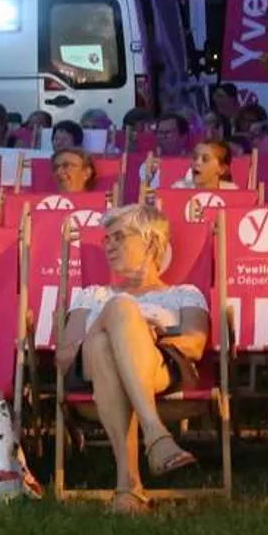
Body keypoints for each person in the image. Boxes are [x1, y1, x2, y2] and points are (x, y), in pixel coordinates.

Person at [56, 204, 209, 514]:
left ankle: (128, 487)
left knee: (110, 336)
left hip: (161, 372)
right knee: (116, 314)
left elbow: (194, 345)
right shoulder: (92, 295)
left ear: (151, 243)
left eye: (119, 237)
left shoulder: (184, 294)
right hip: (92, 373)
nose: (109, 246)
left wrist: (142, 337)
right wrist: (116, 323)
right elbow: (65, 356)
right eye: (106, 239)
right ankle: (155, 435)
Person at [171, 140, 237, 190]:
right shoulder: (179, 189)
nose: (197, 162)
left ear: (221, 169)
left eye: (205, 159)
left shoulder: (232, 191)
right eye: (195, 157)